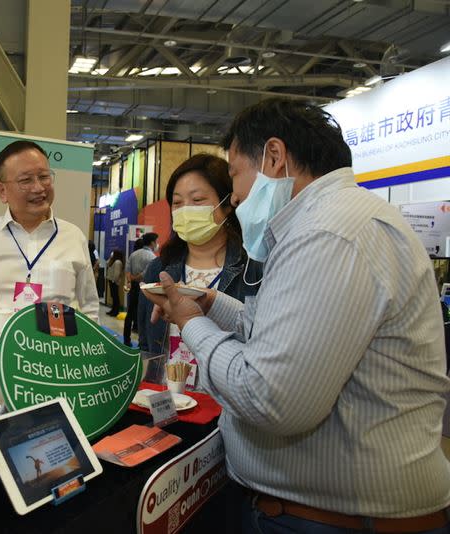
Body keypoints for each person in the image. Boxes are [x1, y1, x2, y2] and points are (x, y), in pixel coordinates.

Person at [143, 98, 450, 533]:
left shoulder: (327, 233)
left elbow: (270, 398)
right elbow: (282, 333)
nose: (236, 198)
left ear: (273, 156)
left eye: (234, 175)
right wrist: (211, 303)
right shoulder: (339, 221)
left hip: (331, 521)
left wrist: (192, 323)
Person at [0, 140, 99, 350]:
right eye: (25, 180)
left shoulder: (73, 237)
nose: (39, 188)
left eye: (44, 177)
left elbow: (89, 309)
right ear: (2, 191)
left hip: (57, 370)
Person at [138, 154, 259, 362]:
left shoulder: (252, 270)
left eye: (197, 200)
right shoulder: (158, 269)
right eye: (177, 202)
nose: (185, 210)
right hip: (168, 392)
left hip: (225, 390)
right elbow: (146, 344)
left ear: (227, 203)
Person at [124, 233, 158, 347]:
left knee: (130, 314)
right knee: (144, 316)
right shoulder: (153, 257)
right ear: (153, 242)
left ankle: (126, 340)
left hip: (133, 288)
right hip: (145, 289)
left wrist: (130, 280)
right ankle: (142, 343)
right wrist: (136, 278)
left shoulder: (133, 254)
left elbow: (127, 271)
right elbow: (145, 274)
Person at [105, 249, 125, 316]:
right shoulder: (113, 261)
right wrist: (110, 258)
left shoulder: (118, 262)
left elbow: (117, 273)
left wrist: (114, 281)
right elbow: (107, 263)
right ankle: (113, 310)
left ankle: (116, 311)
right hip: (112, 281)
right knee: (113, 296)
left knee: (115, 296)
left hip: (114, 281)